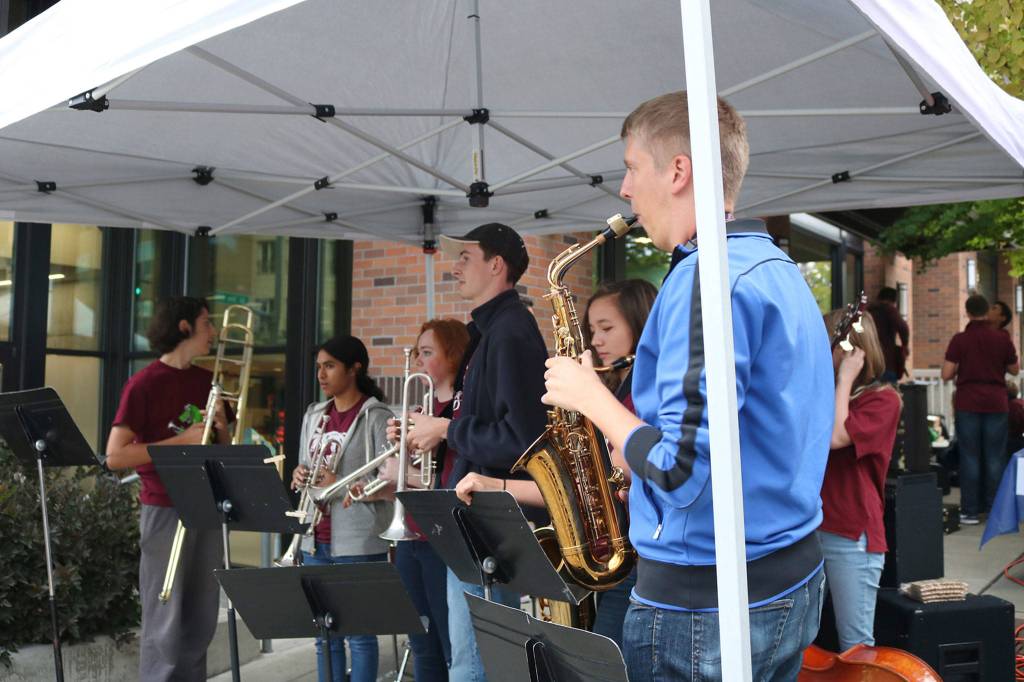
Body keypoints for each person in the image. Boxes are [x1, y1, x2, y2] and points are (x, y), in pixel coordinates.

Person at [542, 91, 834, 681]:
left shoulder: (705, 280)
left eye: (632, 166)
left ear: (678, 171)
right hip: (788, 574)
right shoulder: (776, 266)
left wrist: (590, 398)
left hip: (705, 604)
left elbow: (679, 470)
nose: (624, 189)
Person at [456, 279, 657, 648]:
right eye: (592, 329)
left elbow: (602, 476)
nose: (595, 340)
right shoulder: (614, 387)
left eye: (607, 328)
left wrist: (500, 486)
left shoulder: (643, 394)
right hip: (614, 555)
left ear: (642, 324)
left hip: (637, 561)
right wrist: (495, 486)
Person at [401, 222, 549, 682]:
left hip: (487, 522)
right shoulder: (489, 332)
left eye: (465, 258)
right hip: (471, 522)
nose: (454, 268)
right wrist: (438, 428)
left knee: (472, 666)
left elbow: (522, 442)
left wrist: (445, 428)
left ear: (496, 265)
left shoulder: (509, 333)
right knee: (469, 662)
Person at [105, 297, 228, 682]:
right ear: (184, 327)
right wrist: (183, 442)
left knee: (201, 613)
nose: (214, 331)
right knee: (165, 615)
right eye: (207, 322)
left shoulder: (207, 381)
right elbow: (115, 456)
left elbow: (223, 450)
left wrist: (221, 426)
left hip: (206, 504)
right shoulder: (143, 384)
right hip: (164, 508)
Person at [290, 335, 394, 682]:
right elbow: (306, 463)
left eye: (330, 366)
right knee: (324, 636)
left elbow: (389, 478)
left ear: (355, 368)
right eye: (318, 367)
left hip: (358, 539)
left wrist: (341, 479)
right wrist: (299, 472)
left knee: (360, 636)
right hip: (315, 537)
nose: (321, 374)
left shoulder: (376, 415)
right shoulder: (314, 414)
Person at [388, 319, 469, 681]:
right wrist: (399, 443)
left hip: (444, 536)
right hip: (411, 531)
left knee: (453, 643)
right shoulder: (419, 406)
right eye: (417, 352)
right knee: (420, 640)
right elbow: (398, 472)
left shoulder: (463, 406)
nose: (418, 361)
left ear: (452, 353)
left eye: (427, 352)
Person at [818, 310, 901, 652]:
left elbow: (837, 436)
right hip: (810, 529)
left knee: (855, 645)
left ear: (852, 349)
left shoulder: (883, 400)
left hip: (851, 533)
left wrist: (845, 380)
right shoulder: (826, 396)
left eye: (828, 342)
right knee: (798, 639)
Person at [943, 295, 1020, 524]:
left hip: (968, 402)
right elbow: (1015, 369)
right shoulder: (1002, 339)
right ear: (987, 311)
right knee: (996, 458)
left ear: (967, 312)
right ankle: (995, 510)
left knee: (970, 457)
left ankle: (970, 511)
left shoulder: (960, 340)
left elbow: (947, 373)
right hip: (996, 402)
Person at [866, 286, 910, 383]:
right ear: (894, 300)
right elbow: (903, 328)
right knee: (889, 393)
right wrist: (905, 345)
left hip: (869, 363)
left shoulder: (868, 311)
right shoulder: (889, 309)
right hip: (886, 362)